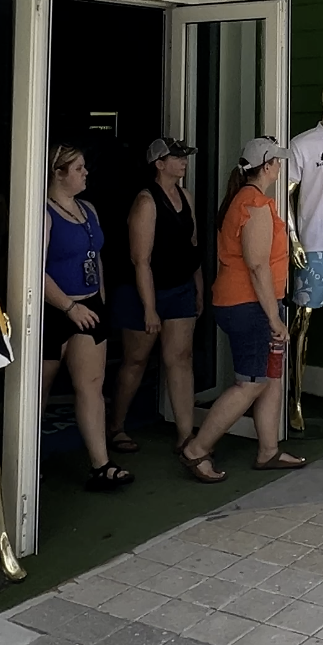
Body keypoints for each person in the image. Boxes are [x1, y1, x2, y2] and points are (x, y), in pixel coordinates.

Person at [177, 137, 305, 482]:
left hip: (252, 303)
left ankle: (268, 450)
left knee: (269, 377)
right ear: (266, 166)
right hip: (249, 306)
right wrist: (275, 317)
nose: (281, 166)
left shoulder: (249, 200)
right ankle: (196, 449)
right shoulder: (254, 204)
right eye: (277, 161)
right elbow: (257, 266)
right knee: (250, 382)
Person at [107, 137, 203, 457]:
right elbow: (141, 260)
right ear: (159, 165)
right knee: (136, 359)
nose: (182, 161)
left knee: (181, 358)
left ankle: (186, 434)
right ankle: (116, 425)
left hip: (180, 288)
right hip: (143, 291)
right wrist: (150, 309)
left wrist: (198, 289)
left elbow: (193, 249)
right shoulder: (146, 202)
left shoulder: (186, 197)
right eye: (175, 157)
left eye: (183, 156)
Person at [43, 146, 130, 490]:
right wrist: (68, 307)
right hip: (56, 309)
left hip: (90, 305)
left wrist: (100, 300)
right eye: (78, 168)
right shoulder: (44, 213)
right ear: (58, 173)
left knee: (91, 387)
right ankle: (24, 460)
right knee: (40, 389)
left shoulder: (88, 209)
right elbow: (34, 267)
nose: (85, 173)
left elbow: (97, 258)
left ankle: (101, 464)